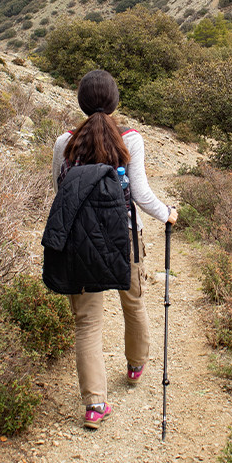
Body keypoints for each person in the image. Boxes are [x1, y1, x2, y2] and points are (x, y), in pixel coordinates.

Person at [51, 69, 178, 430]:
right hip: (124, 238)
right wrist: (166, 214)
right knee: (133, 303)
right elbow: (140, 193)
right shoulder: (130, 139)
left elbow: (60, 194)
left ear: (80, 101)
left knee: (87, 323)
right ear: (115, 101)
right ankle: (136, 365)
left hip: (79, 243)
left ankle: (94, 405)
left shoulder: (65, 143)